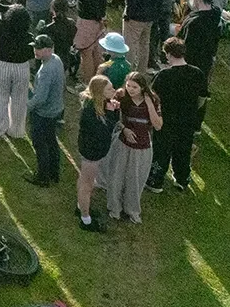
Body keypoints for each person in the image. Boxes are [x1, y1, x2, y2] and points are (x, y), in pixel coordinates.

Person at [148, 37, 205, 191]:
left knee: (162, 150)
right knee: (183, 149)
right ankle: (182, 178)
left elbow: (153, 98)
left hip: (167, 119)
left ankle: (155, 181)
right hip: (188, 120)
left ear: (169, 54)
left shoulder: (164, 75)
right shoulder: (197, 73)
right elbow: (202, 98)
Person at [103, 72, 161, 222]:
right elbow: (111, 117)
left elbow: (158, 125)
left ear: (143, 87)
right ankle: (114, 208)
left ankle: (132, 210)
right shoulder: (121, 96)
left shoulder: (153, 100)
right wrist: (124, 129)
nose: (131, 89)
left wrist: (149, 103)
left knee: (135, 179)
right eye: (128, 85)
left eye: (135, 87)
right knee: (117, 176)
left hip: (142, 146)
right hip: (123, 142)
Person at [0, 0, 33, 139]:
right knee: (20, 100)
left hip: (3, 66)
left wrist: (7, 7)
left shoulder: (1, 30)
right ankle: (17, 131)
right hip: (22, 68)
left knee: (0, 98)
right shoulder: (29, 37)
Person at [25, 34, 68, 186]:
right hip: (56, 110)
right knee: (51, 141)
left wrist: (27, 107)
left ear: (49, 49)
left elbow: (40, 98)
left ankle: (43, 177)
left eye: (39, 48)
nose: (35, 50)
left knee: (40, 144)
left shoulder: (45, 71)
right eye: (35, 47)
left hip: (44, 113)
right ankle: (54, 173)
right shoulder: (56, 59)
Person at [75, 74, 115, 231]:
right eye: (110, 88)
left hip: (94, 151)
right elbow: (105, 131)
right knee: (87, 185)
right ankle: (85, 219)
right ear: (100, 91)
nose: (114, 90)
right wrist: (112, 113)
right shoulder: (90, 111)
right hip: (91, 153)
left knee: (83, 179)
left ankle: (80, 206)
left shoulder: (100, 104)